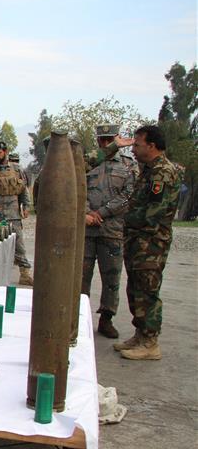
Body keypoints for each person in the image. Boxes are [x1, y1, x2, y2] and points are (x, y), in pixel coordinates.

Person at [108, 126, 182, 360]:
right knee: (136, 288)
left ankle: (150, 342)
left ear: (151, 146)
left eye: (138, 144)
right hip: (138, 241)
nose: (134, 148)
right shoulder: (149, 171)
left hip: (151, 243)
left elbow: (155, 212)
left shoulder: (163, 172)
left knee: (147, 291)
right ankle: (141, 334)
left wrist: (126, 218)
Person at [81, 124, 136, 339]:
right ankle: (79, 315)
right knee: (81, 276)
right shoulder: (87, 163)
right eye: (102, 140)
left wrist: (102, 212)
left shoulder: (127, 165)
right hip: (86, 229)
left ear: (117, 138)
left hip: (111, 229)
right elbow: (76, 188)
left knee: (111, 278)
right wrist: (86, 213)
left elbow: (129, 195)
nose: (105, 143)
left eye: (109, 139)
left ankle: (106, 318)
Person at [0, 141, 33, 286]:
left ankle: (24, 273)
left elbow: (23, 190)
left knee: (19, 245)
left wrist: (26, 206)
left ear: (5, 152)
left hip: (13, 213)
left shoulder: (17, 169)